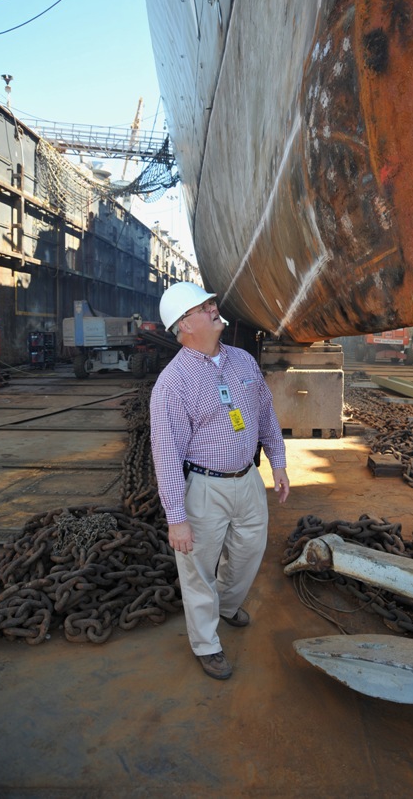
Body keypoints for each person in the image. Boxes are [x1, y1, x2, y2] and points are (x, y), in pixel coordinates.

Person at [150, 281, 289, 680]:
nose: (213, 307)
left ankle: (226, 605)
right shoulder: (172, 384)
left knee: (249, 551)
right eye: (202, 306)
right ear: (184, 326)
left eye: (210, 302)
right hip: (204, 489)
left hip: (247, 479)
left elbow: (264, 413)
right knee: (197, 571)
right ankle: (206, 644)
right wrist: (176, 516)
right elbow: (166, 454)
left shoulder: (242, 361)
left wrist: (277, 460)